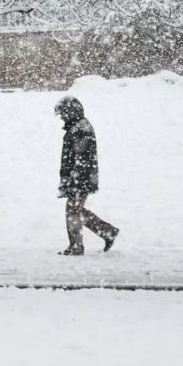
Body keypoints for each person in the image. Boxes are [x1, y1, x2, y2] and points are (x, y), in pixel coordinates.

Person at [54, 96, 120, 255]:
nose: (62, 116)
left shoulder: (80, 129)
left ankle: (76, 247)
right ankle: (107, 231)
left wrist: (73, 180)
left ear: (71, 112)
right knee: (76, 210)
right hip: (80, 178)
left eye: (63, 113)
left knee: (72, 211)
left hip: (80, 179)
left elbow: (81, 158)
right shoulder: (77, 127)